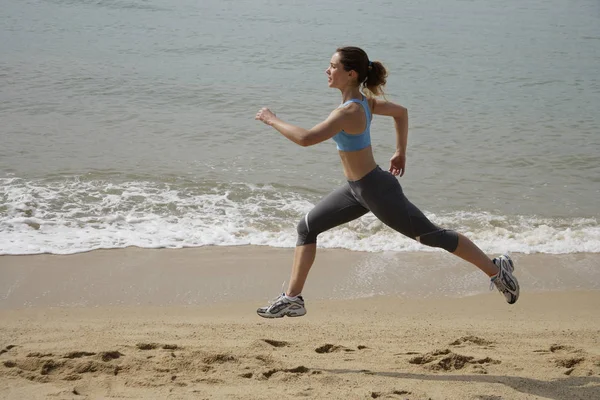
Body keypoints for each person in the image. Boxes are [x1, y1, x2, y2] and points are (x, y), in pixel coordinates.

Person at [254, 46, 519, 318]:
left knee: (431, 236)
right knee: (307, 227)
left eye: (333, 66)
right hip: (356, 190)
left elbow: (306, 138)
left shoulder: (349, 112)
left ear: (351, 73)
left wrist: (272, 119)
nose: (327, 70)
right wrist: (400, 152)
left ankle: (497, 271)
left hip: (376, 190)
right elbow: (401, 112)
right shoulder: (363, 103)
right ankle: (293, 298)